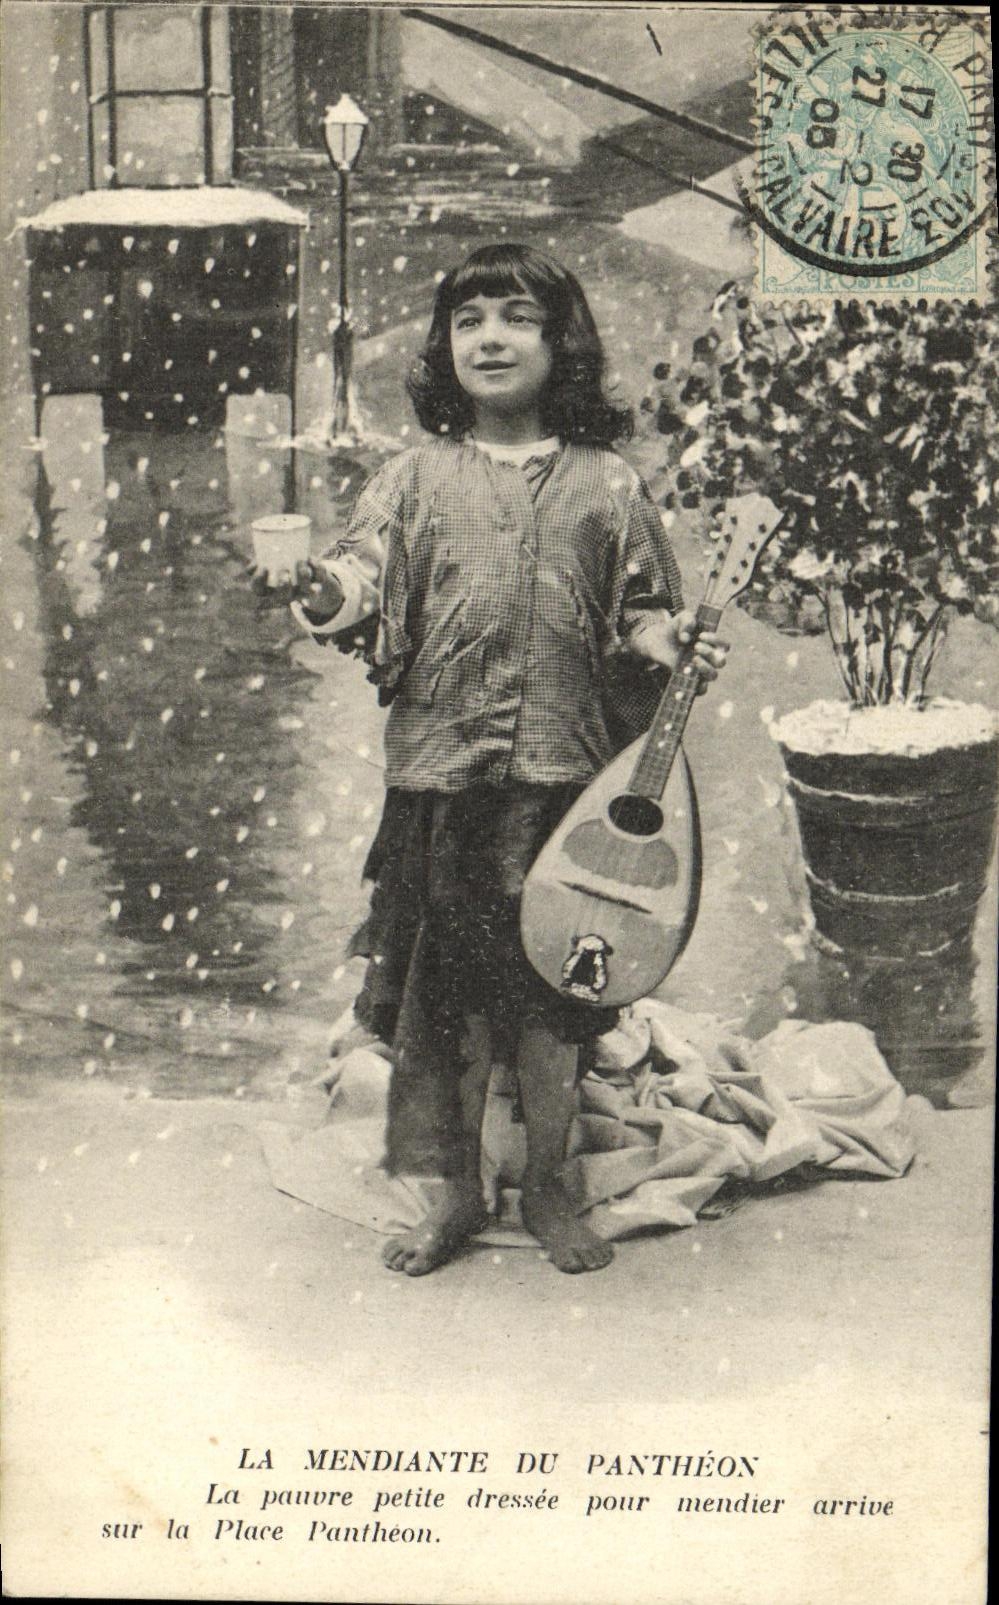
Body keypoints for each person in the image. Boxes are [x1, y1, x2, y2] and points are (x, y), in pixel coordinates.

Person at [281, 243, 728, 1275]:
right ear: (444, 347)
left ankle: (558, 1186)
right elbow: (359, 585)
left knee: (555, 1004)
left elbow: (644, 612)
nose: (489, 336)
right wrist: (319, 592)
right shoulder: (411, 479)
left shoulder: (609, 487)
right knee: (446, 1004)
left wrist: (666, 640)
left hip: (565, 787)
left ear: (557, 342)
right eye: (468, 318)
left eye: (517, 317)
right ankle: (456, 1193)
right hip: (442, 778)